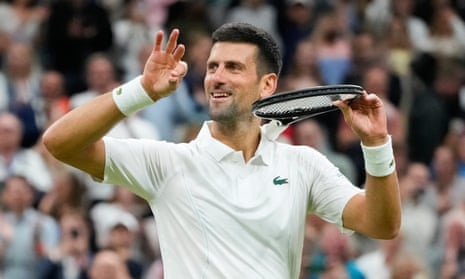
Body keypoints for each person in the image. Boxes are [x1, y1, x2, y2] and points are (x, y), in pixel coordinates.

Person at [42, 22, 401, 278]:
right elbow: (60, 142)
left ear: (268, 84)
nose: (217, 76)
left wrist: (376, 145)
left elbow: (382, 224)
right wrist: (142, 91)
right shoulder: (167, 163)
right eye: (212, 67)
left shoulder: (302, 164)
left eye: (233, 67)